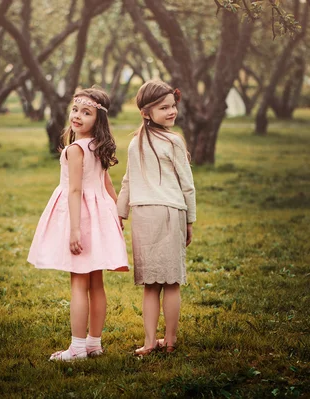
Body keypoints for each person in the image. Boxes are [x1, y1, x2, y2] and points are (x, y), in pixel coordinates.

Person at [27, 88, 129, 361]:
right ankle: (94, 343)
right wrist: (116, 212)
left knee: (78, 283)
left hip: (81, 217)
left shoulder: (75, 149)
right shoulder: (98, 145)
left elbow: (74, 190)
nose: (78, 116)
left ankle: (78, 348)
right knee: (96, 283)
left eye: (87, 112)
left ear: (99, 119)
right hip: (99, 216)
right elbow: (107, 183)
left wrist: (74, 229)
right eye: (75, 110)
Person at [117, 80, 196, 356]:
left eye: (173, 106)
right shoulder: (173, 142)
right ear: (146, 113)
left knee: (151, 284)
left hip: (142, 215)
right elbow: (187, 185)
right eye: (164, 108)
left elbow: (127, 183)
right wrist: (190, 220)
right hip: (169, 213)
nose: (171, 111)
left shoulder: (134, 143)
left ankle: (151, 342)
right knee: (171, 282)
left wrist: (121, 213)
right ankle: (169, 341)